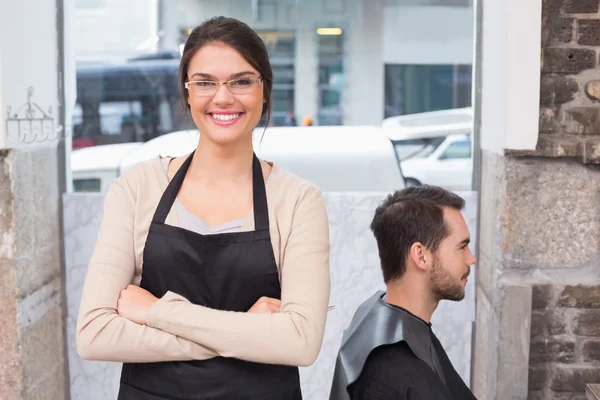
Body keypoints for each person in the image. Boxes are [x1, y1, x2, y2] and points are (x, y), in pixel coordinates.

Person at [76, 16, 331, 400]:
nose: (223, 97)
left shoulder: (298, 201)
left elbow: (300, 342)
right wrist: (246, 331)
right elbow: (95, 334)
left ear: (265, 92)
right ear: (188, 93)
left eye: (242, 81)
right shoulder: (137, 188)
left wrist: (159, 313)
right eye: (205, 82)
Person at [329, 185, 477, 400]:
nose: (471, 258)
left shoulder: (372, 313)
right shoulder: (397, 374)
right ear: (421, 255)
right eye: (462, 247)